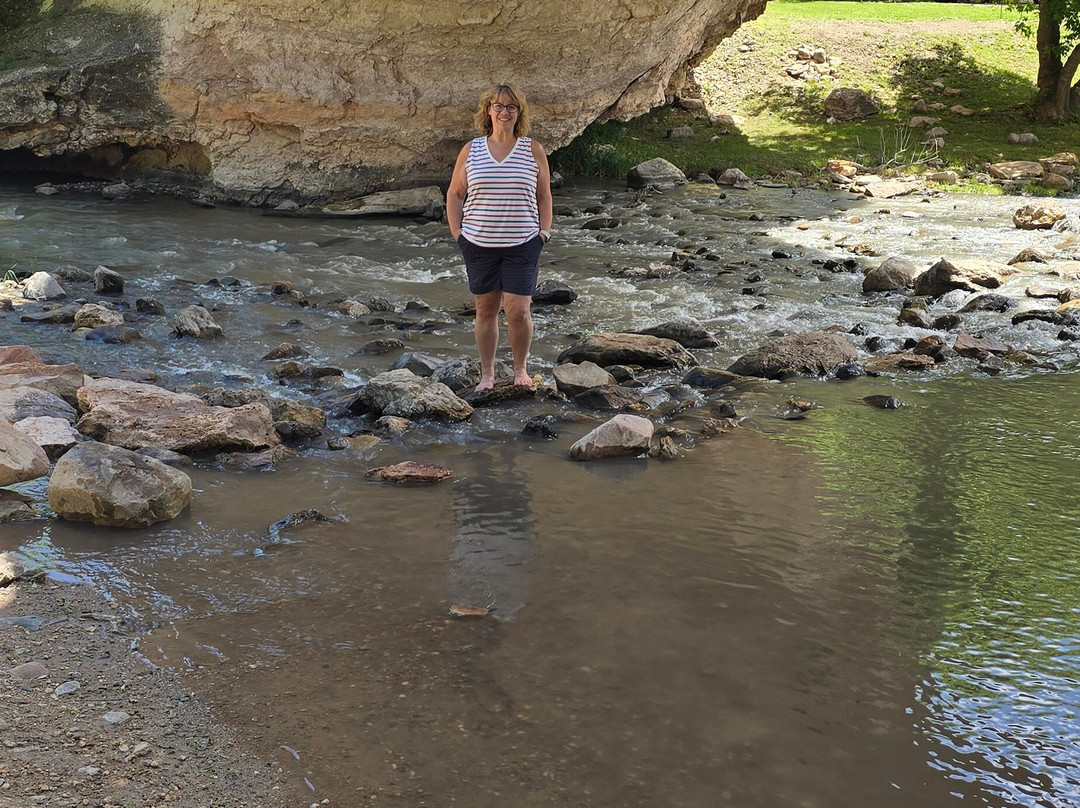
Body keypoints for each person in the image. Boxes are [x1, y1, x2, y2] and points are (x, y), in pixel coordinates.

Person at [447, 82, 553, 392]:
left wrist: (543, 233)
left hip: (523, 244)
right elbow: (454, 194)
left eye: (511, 107)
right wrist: (458, 233)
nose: (504, 112)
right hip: (478, 244)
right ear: (488, 111)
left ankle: (520, 370)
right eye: (498, 106)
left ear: (519, 113)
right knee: (486, 310)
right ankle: (488, 374)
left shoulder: (533, 149)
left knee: (518, 312)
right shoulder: (471, 150)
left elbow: (544, 196)